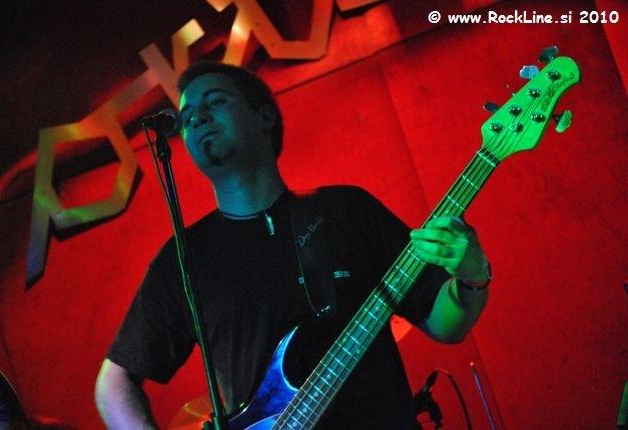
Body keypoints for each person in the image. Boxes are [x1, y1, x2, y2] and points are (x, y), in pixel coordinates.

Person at [95, 60, 491, 429]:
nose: (197, 117)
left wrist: (472, 276)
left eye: (215, 101)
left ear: (264, 116)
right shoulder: (184, 259)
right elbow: (113, 384)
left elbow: (445, 324)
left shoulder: (347, 210)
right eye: (187, 117)